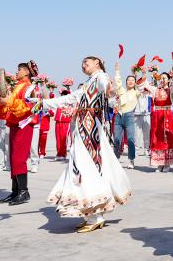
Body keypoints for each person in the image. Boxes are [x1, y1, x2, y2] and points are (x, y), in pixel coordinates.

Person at [39, 56, 132, 232]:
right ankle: (92, 214)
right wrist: (43, 103)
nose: (83, 65)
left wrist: (109, 87)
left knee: (86, 166)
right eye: (82, 63)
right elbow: (70, 98)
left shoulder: (100, 77)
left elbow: (106, 87)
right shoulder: (88, 83)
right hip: (83, 127)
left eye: (86, 62)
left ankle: (95, 216)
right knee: (81, 166)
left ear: (97, 63)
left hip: (91, 129)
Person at [0, 61, 40, 206]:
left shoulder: (30, 87)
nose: (17, 72)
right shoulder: (17, 86)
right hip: (15, 124)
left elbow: (28, 106)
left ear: (27, 72)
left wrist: (8, 101)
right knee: (13, 157)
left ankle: (23, 191)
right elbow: (9, 105)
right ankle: (15, 191)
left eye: (19, 70)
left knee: (19, 158)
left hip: (24, 124)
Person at [112, 61, 140, 169]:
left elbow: (141, 86)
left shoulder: (136, 92)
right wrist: (117, 70)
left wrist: (138, 75)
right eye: (129, 80)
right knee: (117, 139)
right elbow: (118, 82)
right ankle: (116, 158)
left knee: (130, 139)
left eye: (132, 80)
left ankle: (131, 160)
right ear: (126, 82)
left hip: (129, 117)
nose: (130, 81)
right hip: (119, 116)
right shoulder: (122, 91)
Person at [150, 72, 173, 171]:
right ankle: (159, 163)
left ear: (168, 79)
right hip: (157, 117)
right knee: (157, 138)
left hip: (167, 116)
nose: (162, 80)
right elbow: (143, 87)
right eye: (161, 78)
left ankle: (167, 163)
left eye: (164, 78)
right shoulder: (155, 90)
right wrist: (143, 74)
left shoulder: (171, 90)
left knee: (167, 138)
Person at [54, 87, 73, 160]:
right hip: (58, 122)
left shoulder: (69, 102)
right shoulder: (59, 101)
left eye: (65, 94)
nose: (63, 95)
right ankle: (59, 154)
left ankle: (63, 154)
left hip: (66, 122)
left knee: (63, 139)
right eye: (62, 94)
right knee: (58, 139)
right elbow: (52, 98)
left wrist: (68, 88)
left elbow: (72, 95)